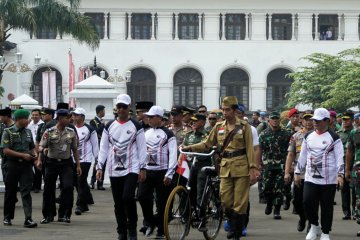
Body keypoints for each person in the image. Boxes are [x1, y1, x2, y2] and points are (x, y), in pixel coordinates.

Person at [182, 96, 258, 240]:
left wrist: (253, 169)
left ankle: (236, 232)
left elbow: (250, 148)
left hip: (241, 167)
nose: (224, 112)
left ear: (235, 110)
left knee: (240, 202)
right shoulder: (219, 126)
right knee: (225, 201)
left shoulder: (244, 126)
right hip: (225, 168)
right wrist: (189, 147)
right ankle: (231, 221)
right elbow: (207, 144)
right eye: (223, 109)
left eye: (227, 109)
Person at [96, 94, 147, 240]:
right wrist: (100, 167)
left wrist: (143, 168)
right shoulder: (109, 126)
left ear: (129, 108)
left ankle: (132, 228)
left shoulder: (136, 126)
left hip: (131, 168)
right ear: (116, 108)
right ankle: (121, 231)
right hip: (114, 169)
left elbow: (142, 149)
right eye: (119, 106)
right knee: (118, 203)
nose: (121, 109)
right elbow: (103, 148)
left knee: (127, 198)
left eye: (124, 107)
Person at [295, 108, 344, 240]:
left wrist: (340, 175)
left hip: (329, 179)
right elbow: (303, 155)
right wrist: (297, 172)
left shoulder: (334, 137)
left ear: (327, 121)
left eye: (318, 120)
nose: (315, 122)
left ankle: (325, 232)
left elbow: (340, 157)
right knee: (307, 202)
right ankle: (314, 225)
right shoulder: (308, 136)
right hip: (311, 178)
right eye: (314, 120)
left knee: (327, 206)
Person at [138, 106, 177, 238]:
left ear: (159, 118)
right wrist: (140, 168)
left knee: (162, 204)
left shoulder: (168, 134)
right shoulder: (145, 133)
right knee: (142, 196)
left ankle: (161, 230)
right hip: (147, 172)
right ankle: (150, 221)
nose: (148, 119)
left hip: (163, 172)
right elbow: (141, 152)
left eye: (151, 117)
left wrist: (169, 173)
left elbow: (173, 155)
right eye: (147, 116)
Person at [37, 108, 81, 224]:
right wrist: (41, 156)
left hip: (66, 163)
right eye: (67, 117)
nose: (70, 119)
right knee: (48, 189)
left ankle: (65, 214)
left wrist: (78, 165)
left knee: (67, 187)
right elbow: (40, 146)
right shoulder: (49, 132)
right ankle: (48, 215)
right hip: (51, 163)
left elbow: (75, 150)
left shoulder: (71, 132)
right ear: (61, 119)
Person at [2, 109, 38, 228]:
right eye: (26, 118)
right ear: (19, 119)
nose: (28, 120)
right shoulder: (8, 132)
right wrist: (23, 155)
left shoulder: (28, 132)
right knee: (11, 192)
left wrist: (35, 154)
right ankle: (7, 217)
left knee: (26, 192)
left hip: (26, 166)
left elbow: (32, 146)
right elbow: (6, 150)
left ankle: (28, 218)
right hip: (12, 165)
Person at [258, 111, 292, 220]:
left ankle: (277, 210)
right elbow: (259, 150)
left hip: (281, 166)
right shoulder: (263, 134)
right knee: (266, 188)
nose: (275, 120)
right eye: (273, 119)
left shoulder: (286, 134)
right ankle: (269, 203)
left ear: (279, 120)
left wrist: (289, 166)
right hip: (267, 165)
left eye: (277, 118)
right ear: (269, 121)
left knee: (279, 189)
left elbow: (290, 151)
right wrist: (258, 164)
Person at [284, 110, 314, 232]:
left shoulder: (318, 136)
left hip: (314, 174)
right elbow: (290, 155)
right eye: (306, 119)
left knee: (310, 200)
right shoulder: (296, 136)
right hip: (299, 174)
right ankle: (302, 218)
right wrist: (286, 172)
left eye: (311, 119)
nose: (308, 122)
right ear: (302, 121)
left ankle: (311, 223)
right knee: (297, 201)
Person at [73, 108, 99, 215]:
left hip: (86, 159)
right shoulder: (71, 128)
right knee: (77, 182)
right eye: (73, 115)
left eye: (77, 115)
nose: (74, 117)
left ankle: (79, 205)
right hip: (73, 159)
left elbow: (95, 145)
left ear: (82, 117)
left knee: (81, 180)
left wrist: (97, 159)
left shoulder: (90, 129)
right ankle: (84, 205)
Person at [337, 111, 356, 220]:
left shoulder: (355, 132)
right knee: (344, 188)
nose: (345, 121)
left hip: (354, 162)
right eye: (343, 119)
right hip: (342, 162)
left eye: (347, 119)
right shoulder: (339, 133)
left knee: (354, 188)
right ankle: (346, 211)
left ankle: (354, 210)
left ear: (352, 120)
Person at [283, 108, 301, 210]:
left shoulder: (303, 130)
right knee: (286, 183)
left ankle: (296, 204)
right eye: (293, 116)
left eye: (297, 116)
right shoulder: (285, 130)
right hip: (288, 160)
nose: (295, 118)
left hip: (298, 161)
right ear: (289, 118)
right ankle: (287, 198)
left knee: (297, 184)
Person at [345, 113, 360, 237]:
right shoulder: (354, 134)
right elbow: (349, 151)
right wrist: (347, 170)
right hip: (357, 170)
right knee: (358, 197)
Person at [90, 105, 106, 190]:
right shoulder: (93, 121)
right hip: (98, 143)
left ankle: (100, 183)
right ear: (100, 112)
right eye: (103, 111)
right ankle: (93, 181)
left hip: (103, 143)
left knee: (103, 163)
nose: (104, 112)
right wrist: (102, 126)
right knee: (97, 163)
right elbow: (95, 132)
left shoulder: (101, 121)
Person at [27, 109, 44, 193]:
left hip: (39, 149)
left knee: (38, 168)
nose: (34, 116)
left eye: (36, 115)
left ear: (40, 115)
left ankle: (37, 186)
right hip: (30, 149)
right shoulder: (29, 124)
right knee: (28, 168)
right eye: (33, 114)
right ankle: (32, 184)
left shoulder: (43, 124)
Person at [0, 107, 15, 186]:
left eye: (1, 116)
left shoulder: (15, 128)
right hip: (4, 157)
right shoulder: (3, 127)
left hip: (12, 158)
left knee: (11, 181)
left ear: (6, 116)